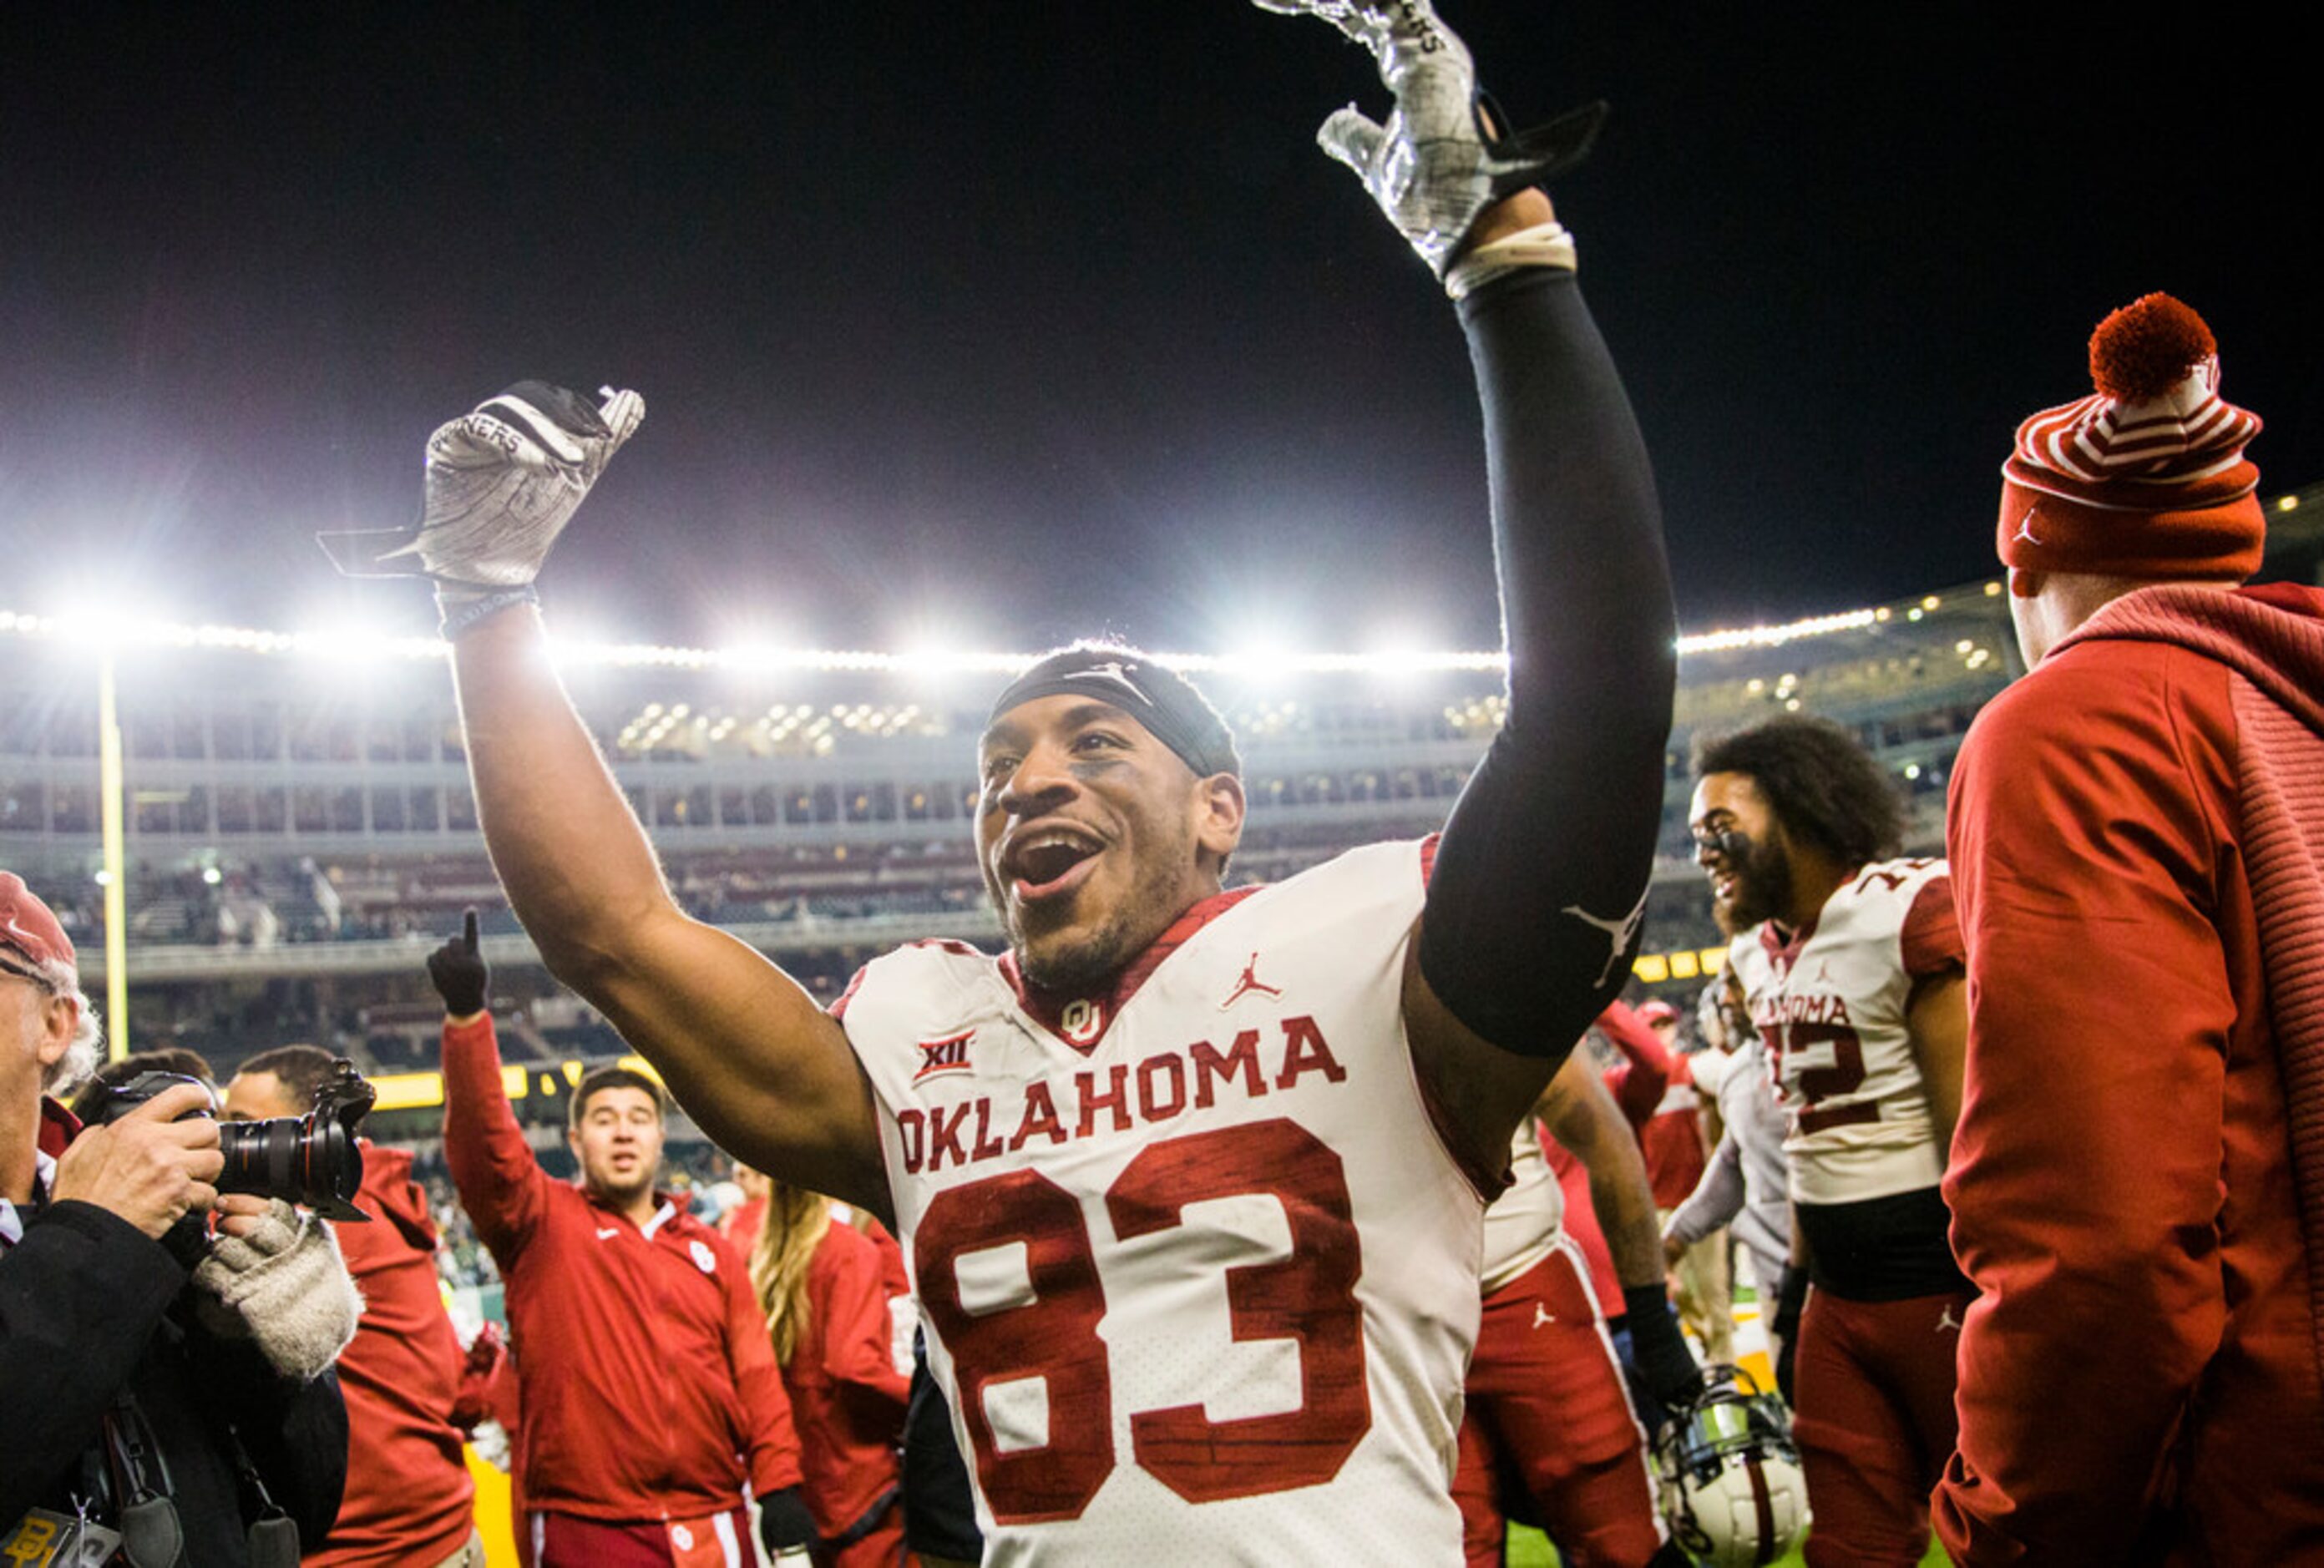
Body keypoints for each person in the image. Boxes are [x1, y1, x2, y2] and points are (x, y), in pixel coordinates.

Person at [377, 2, 1674, 1555]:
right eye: (997, 764)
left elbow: (1590, 710)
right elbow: (615, 936)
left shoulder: (1372, 968)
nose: (1027, 784)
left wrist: (1502, 263)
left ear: (1221, 806)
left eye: (1093, 744)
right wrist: (485, 598)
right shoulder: (926, 1036)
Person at [1933, 293, 2324, 1564]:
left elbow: (2098, 1246)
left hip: (2258, 1489)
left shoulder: (2078, 724)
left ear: (2024, 568)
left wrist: (2009, 1527)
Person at [428, 916, 814, 1567]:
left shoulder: (709, 1248)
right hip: (589, 1523)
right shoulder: (539, 1224)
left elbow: (755, 1378)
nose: (624, 1133)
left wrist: (778, 1483)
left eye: (640, 1119)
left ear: (663, 1140)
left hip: (712, 1516)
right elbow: (483, 1148)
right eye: (604, 1121)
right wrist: (469, 1023)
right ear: (575, 1143)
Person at [1, 871, 352, 1563]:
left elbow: (305, 1504)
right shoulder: (116, 1220)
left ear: (53, 1022)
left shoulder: (165, 1214)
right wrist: (93, 1235)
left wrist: (272, 1361)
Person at [1689, 717, 1971, 1567]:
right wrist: (1793, 1290)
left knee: (2008, 1526)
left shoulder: (1906, 909)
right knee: (1847, 1544)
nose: (1703, 851)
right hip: (1832, 1296)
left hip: (1936, 1281)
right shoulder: (1753, 952)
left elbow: (1972, 1135)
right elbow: (1808, 1129)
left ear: (1803, 813)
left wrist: (1995, 1298)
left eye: (1719, 828)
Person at [225, 1043, 484, 1568]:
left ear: (302, 1133)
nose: (225, 1145)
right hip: (439, 1527)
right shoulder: (379, 1200)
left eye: (245, 1127)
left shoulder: (324, 1226)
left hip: (373, 1550)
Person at [1456, 1044, 1694, 1568]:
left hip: (1519, 1283)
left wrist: (1652, 1320)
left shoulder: (1477, 970)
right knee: (1448, 1549)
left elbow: (1605, 1138)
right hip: (1394, 1316)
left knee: (1622, 1540)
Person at [748, 1176, 912, 1568]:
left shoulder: (766, 1255)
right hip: (860, 1486)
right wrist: (922, 1406)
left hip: (808, 1488)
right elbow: (854, 1367)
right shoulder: (850, 1251)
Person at [1663, 971, 1792, 1368]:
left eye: (1738, 984)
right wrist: (1676, 1238)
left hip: (1858, 1266)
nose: (1731, 1000)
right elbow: (1734, 1162)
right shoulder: (1740, 1071)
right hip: (1781, 1280)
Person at [1632, 999, 1727, 1364]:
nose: (1662, 1032)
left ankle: (1725, 1369)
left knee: (1714, 1288)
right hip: (1657, 1201)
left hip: (1698, 1196)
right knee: (1679, 1291)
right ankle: (1708, 1346)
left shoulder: (1693, 1070)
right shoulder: (1632, 1083)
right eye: (1653, 1026)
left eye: (1665, 1024)